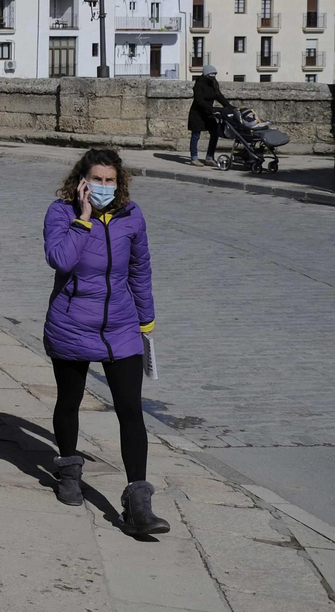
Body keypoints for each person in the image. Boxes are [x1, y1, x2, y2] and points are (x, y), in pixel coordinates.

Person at [43, 148, 169, 536]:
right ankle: (67, 468)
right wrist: (83, 219)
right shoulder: (60, 213)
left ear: (120, 182)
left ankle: (138, 502)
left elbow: (140, 269)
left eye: (109, 180)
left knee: (131, 409)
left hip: (121, 327)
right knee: (70, 400)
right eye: (95, 179)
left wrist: (146, 321)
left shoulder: (132, 216)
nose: (102, 187)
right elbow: (60, 260)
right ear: (81, 181)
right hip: (72, 323)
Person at [188, 65, 232, 165]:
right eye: (211, 74)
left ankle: (209, 157)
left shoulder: (213, 84)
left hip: (208, 113)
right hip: (198, 113)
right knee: (196, 135)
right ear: (206, 74)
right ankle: (194, 158)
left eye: (214, 74)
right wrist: (212, 109)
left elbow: (220, 97)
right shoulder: (199, 84)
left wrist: (230, 107)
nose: (213, 76)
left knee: (215, 133)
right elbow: (199, 101)